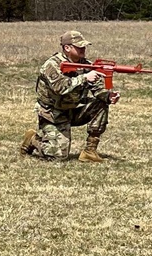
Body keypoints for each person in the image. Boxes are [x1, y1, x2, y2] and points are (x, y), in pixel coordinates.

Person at [20, 28, 116, 163]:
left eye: (84, 47)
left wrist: (107, 96)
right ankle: (33, 139)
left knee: (101, 104)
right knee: (57, 157)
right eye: (79, 47)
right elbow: (60, 87)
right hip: (53, 114)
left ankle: (90, 151)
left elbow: (97, 88)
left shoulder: (86, 64)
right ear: (67, 48)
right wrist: (84, 78)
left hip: (75, 109)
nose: (83, 49)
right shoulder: (52, 65)